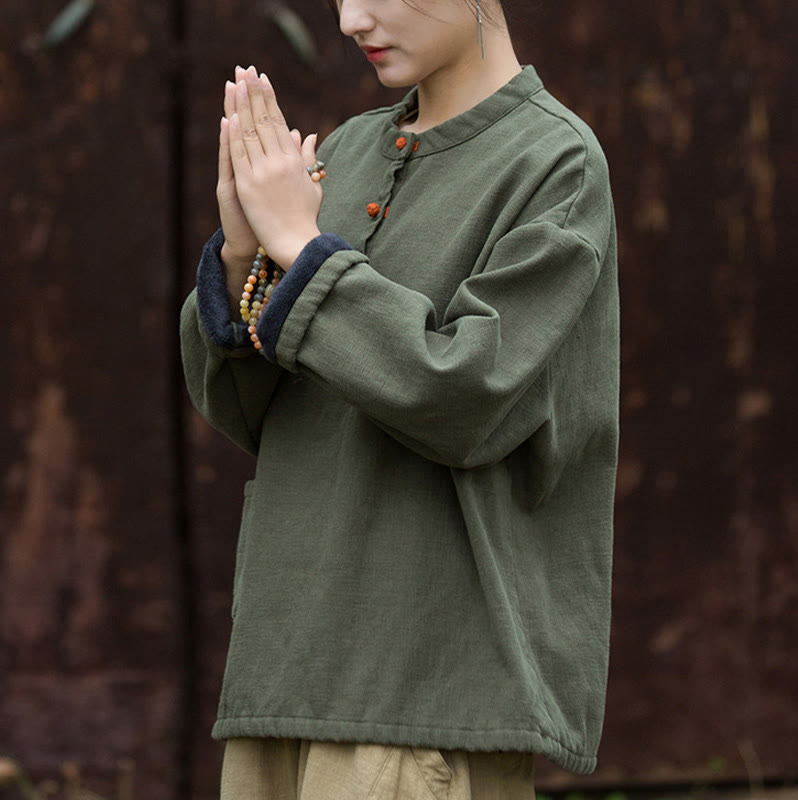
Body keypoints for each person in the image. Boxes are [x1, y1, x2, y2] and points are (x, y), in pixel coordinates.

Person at [179, 0, 619, 797]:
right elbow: (250, 416)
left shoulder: (558, 165)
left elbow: (469, 399)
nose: (351, 18)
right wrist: (248, 249)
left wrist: (304, 252)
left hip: (420, 695)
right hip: (282, 677)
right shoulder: (346, 150)